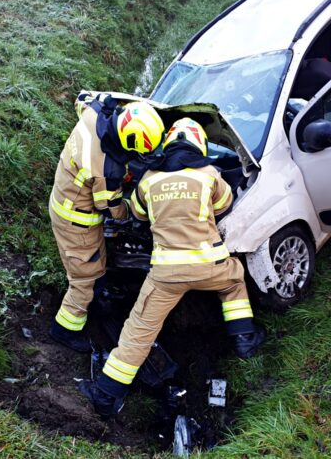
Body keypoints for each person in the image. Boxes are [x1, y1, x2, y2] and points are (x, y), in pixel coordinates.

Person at [78, 118, 266, 418]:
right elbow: (224, 206)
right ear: (199, 144)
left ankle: (106, 395)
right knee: (234, 284)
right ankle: (245, 339)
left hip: (167, 275)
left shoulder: (148, 179)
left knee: (139, 331)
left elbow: (139, 214)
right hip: (211, 266)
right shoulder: (209, 173)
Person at [49, 92, 165, 353]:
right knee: (86, 279)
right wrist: (133, 213)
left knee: (97, 262)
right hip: (76, 222)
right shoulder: (106, 170)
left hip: (65, 198)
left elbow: (82, 99)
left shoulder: (94, 112)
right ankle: (65, 329)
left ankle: (95, 300)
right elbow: (110, 207)